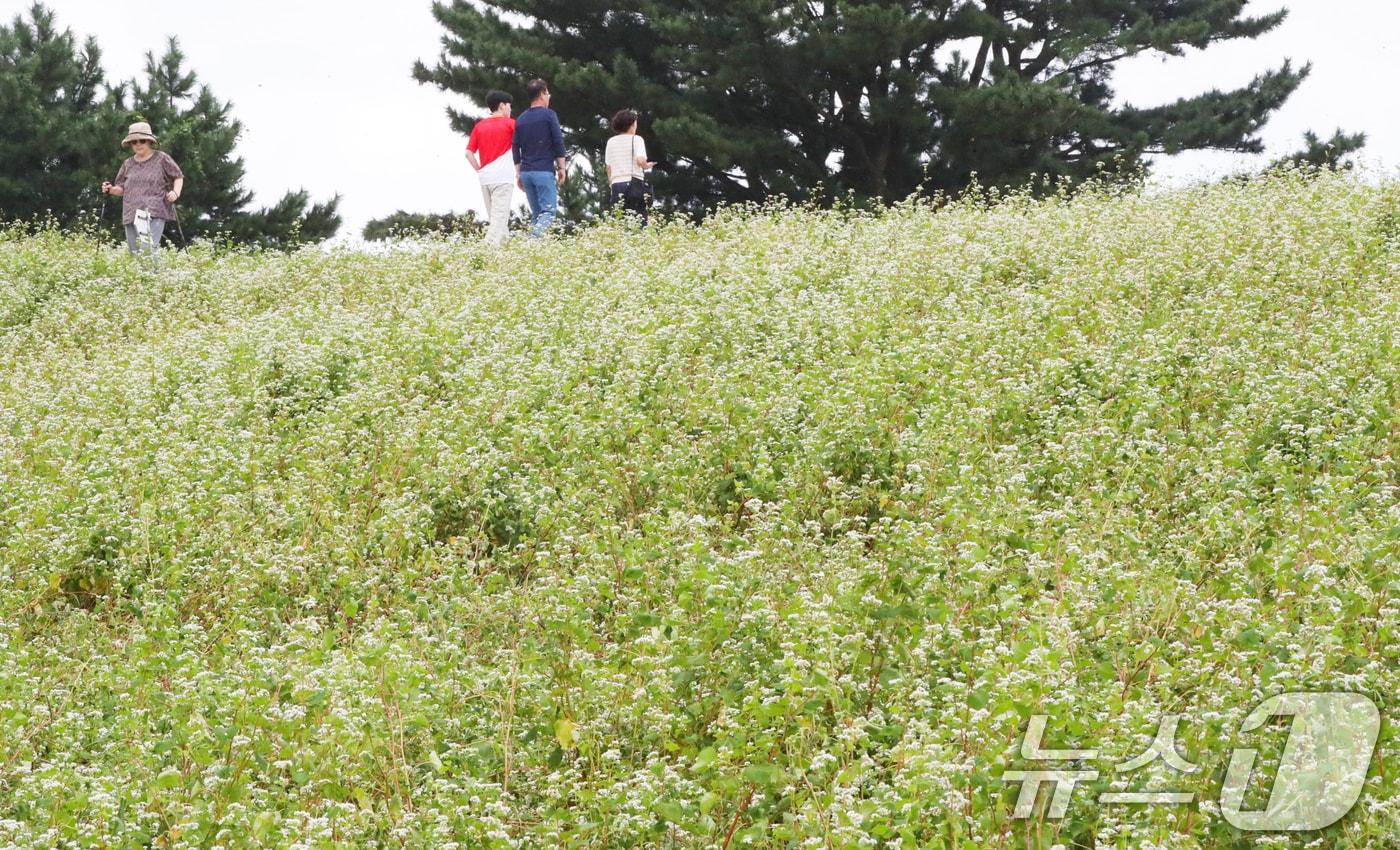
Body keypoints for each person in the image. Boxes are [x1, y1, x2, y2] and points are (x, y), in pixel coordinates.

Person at [101, 122, 184, 260]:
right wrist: (110, 189)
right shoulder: (127, 164)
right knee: (134, 253)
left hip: (154, 210)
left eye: (142, 141)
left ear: (150, 142)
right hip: (130, 212)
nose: (138, 144)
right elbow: (121, 189)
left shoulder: (162, 158)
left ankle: (154, 279)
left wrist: (175, 193)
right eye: (134, 142)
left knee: (148, 249)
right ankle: (140, 280)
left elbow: (178, 177)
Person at [512, 79, 566, 238]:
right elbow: (558, 141)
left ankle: (531, 249)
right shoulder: (549, 115)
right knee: (548, 211)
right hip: (543, 170)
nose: (549, 96)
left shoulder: (520, 119)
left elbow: (515, 147)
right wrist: (562, 167)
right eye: (548, 93)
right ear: (542, 94)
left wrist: (518, 173)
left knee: (537, 215)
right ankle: (533, 240)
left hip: (526, 173)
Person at [467, 90, 516, 247]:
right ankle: (485, 251)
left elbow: (468, 153)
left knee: (497, 220)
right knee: (499, 220)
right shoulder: (511, 124)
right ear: (502, 106)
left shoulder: (479, 126)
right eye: (509, 106)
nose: (510, 109)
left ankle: (504, 254)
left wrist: (479, 169)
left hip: (485, 178)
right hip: (503, 177)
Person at [604, 109, 655, 225]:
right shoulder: (637, 139)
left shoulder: (611, 141)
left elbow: (609, 167)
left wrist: (611, 183)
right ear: (631, 125)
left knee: (620, 220)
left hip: (616, 184)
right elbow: (640, 160)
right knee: (638, 220)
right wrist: (647, 166)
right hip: (633, 183)